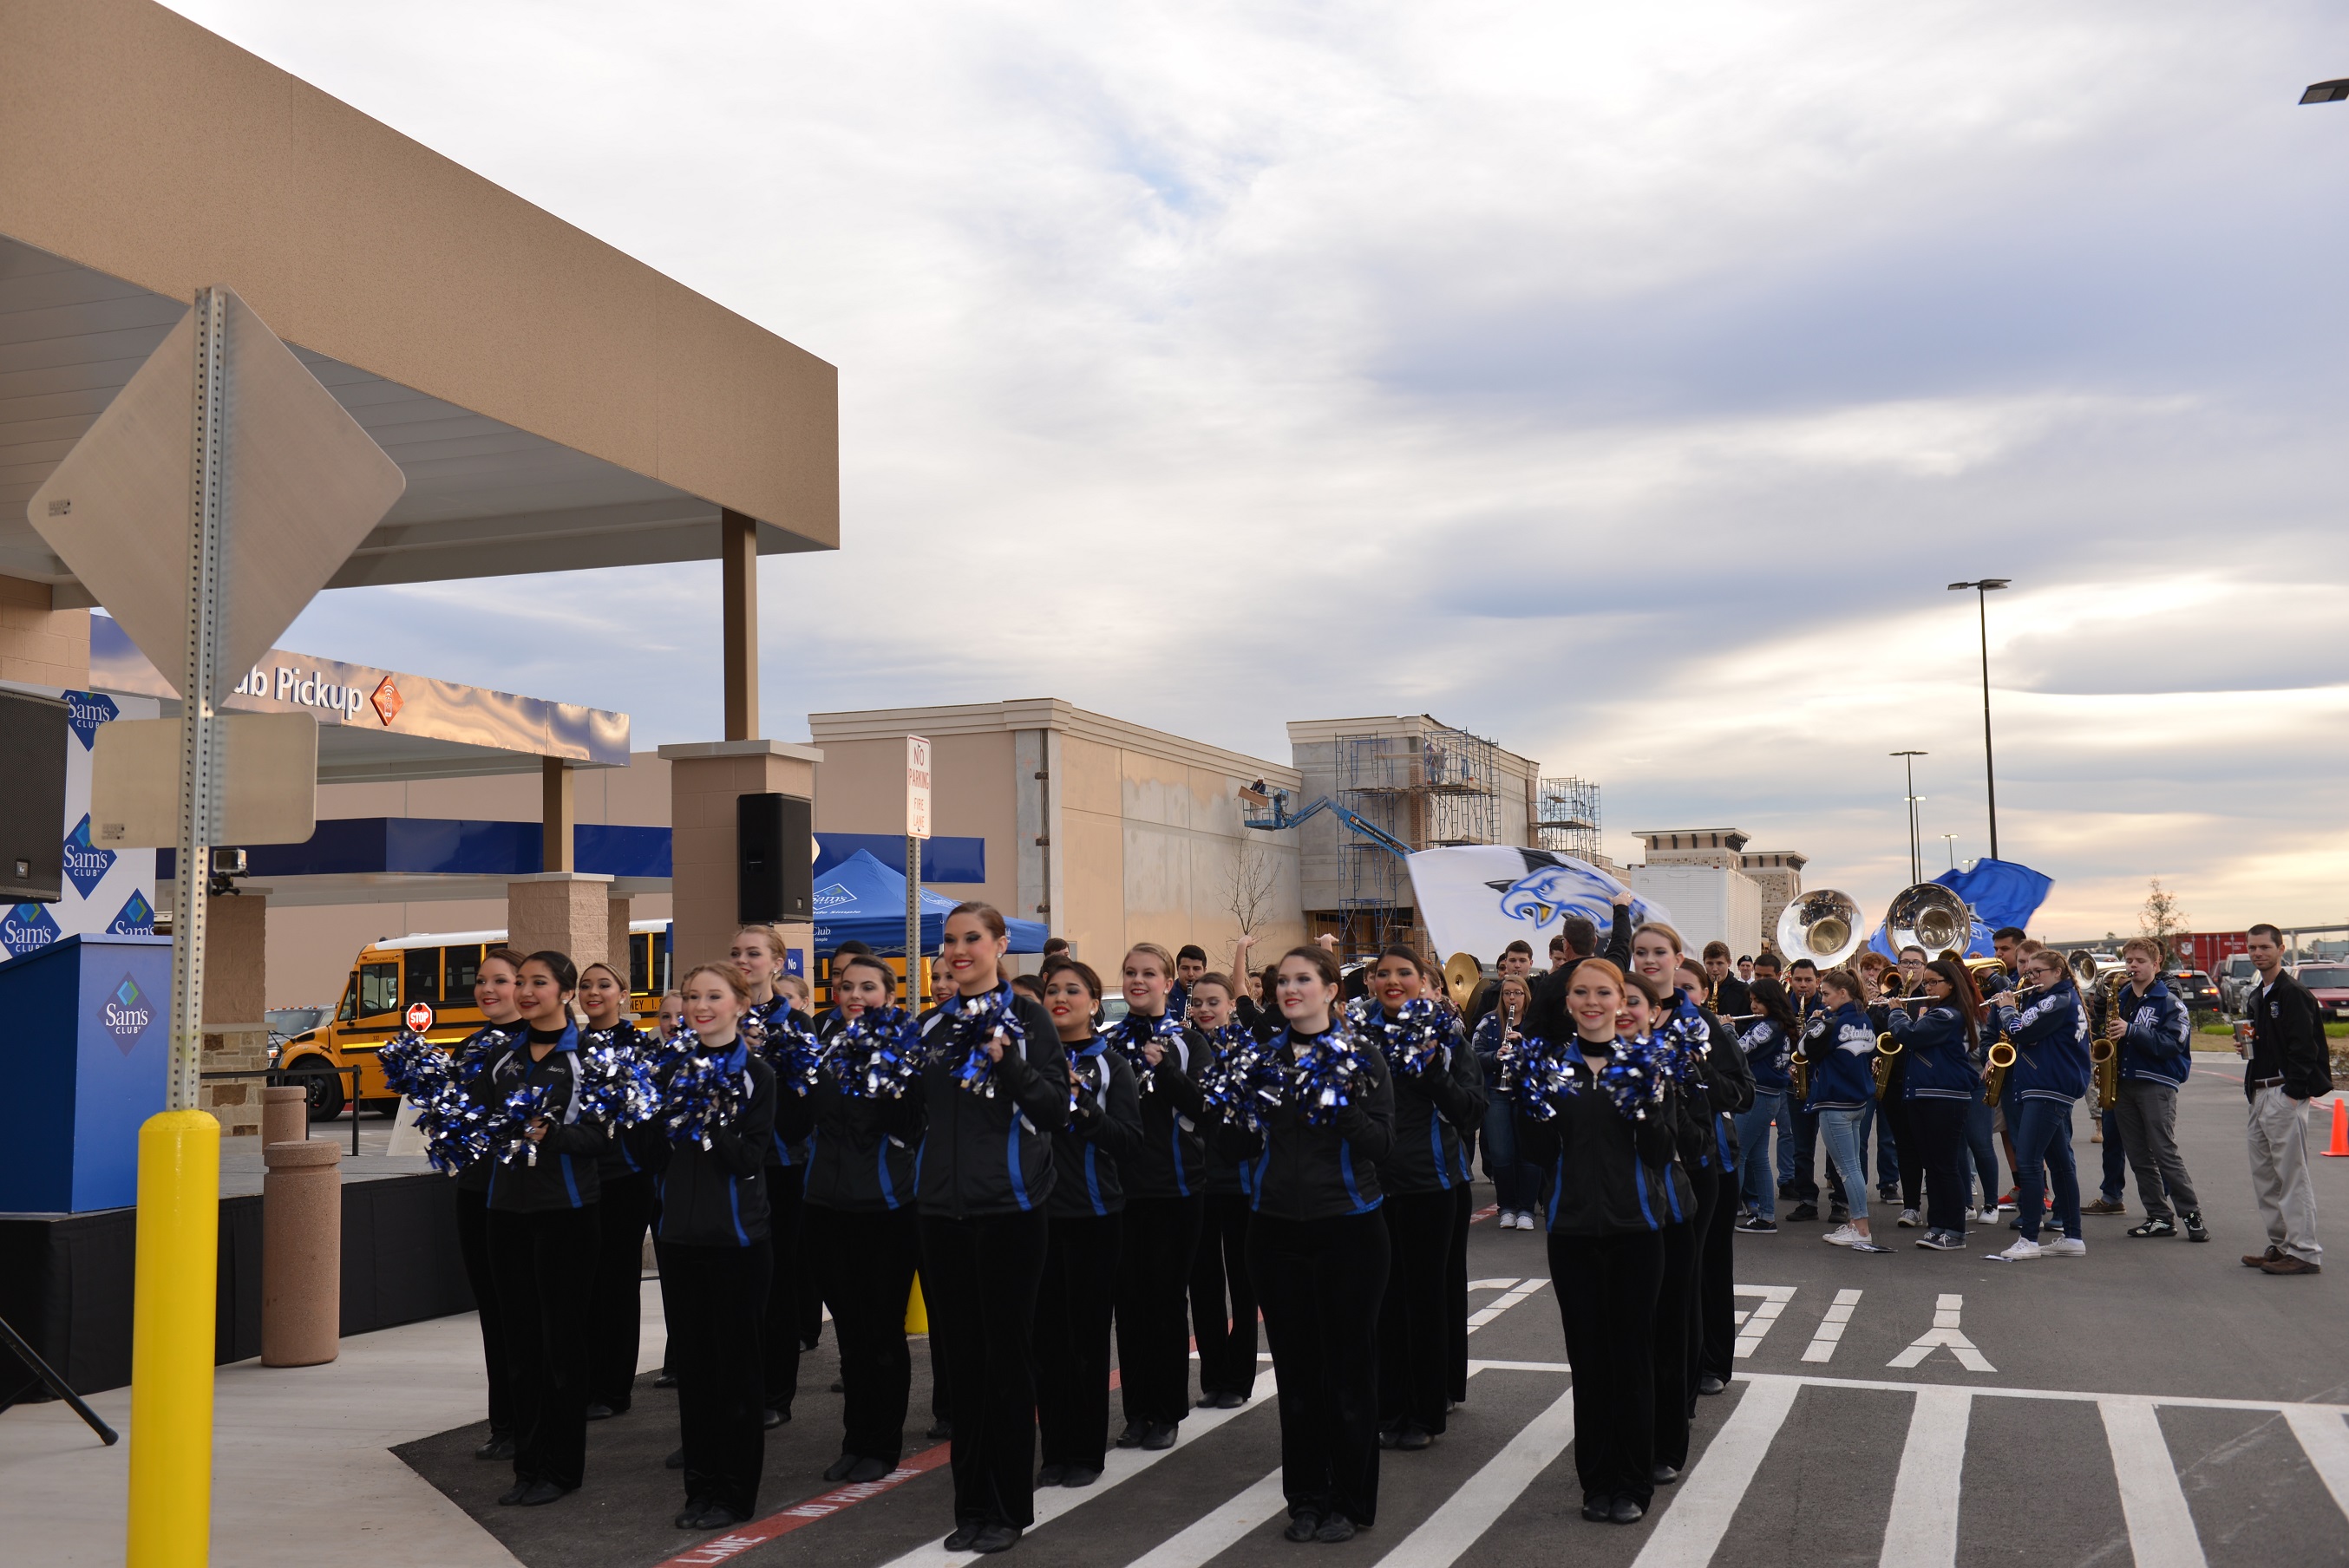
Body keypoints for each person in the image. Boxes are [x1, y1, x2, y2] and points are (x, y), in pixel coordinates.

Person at [891, 903, 1069, 1554]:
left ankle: (1007, 1507)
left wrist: (1010, 1066)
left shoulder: (1029, 1019)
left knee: (1007, 1363)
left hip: (1011, 1214)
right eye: (950, 941)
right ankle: (969, 1506)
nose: (958, 951)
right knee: (960, 1365)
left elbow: (1054, 1108)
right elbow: (909, 1115)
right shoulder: (929, 1024)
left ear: (999, 945)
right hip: (940, 1214)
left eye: (973, 939)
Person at [1215, 945, 1395, 1544]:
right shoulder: (1258, 1057)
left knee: (1348, 1368)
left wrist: (1339, 1099)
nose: (1290, 989)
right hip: (1272, 1231)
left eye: (1302, 980)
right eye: (1281, 981)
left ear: (1329, 991)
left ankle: (1350, 1500)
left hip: (1349, 1228)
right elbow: (1233, 1147)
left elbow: (1382, 1146)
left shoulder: (1362, 1055)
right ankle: (1306, 1499)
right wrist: (1235, 1111)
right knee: (1295, 1373)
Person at [1511, 959, 1691, 1526]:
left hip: (1637, 1232)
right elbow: (1536, 1152)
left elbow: (1662, 1153)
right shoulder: (1551, 1066)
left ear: (1623, 1001)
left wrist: (1648, 1103)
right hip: (1570, 1232)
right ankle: (1597, 1482)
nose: (1592, 1002)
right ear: (1568, 1003)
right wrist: (1529, 1096)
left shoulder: (1647, 1063)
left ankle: (1633, 1483)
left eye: (1604, 993)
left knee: (1632, 1358)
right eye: (1581, 993)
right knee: (1589, 1362)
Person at [478, 951, 608, 1506]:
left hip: (567, 1213)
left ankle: (561, 1468)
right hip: (506, 1210)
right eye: (522, 983)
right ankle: (527, 1466)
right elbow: (482, 1125)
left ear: (565, 992)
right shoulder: (502, 1060)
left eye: (539, 983)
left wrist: (549, 1133)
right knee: (520, 1343)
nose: (526, 992)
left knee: (563, 1344)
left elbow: (602, 1139)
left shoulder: (588, 1060)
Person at [656, 962, 779, 1530]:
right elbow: (649, 1148)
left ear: (739, 1003)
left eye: (713, 996)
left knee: (736, 1374)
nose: (699, 1006)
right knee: (696, 1374)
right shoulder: (669, 1069)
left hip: (737, 1243)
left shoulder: (756, 1074)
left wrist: (710, 1114)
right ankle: (700, 1488)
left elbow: (748, 1159)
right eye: (691, 996)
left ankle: (734, 1493)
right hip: (679, 1238)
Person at [796, 953, 923, 1484]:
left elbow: (913, 1124)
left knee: (881, 1331)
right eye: (846, 986)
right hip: (826, 1206)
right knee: (849, 1331)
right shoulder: (821, 1049)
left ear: (889, 998)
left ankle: (882, 1444)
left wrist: (881, 1066)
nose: (854, 995)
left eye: (868, 988)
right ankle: (855, 1439)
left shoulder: (906, 1050)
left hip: (886, 1208)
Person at [1360, 947, 1483, 1451]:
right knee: (1381, 1300)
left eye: (1404, 973)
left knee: (1427, 1299)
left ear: (1421, 981)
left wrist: (1433, 1071)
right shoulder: (1351, 1037)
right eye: (1382, 973)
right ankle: (1388, 1404)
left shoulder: (1447, 1035)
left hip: (1431, 1184)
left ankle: (1427, 1409)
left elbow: (1472, 1109)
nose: (1393, 981)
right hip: (1368, 1187)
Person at [1035, 957, 1143, 1487]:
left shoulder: (1111, 1066)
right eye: (1052, 989)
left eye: (1073, 990)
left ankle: (1085, 1452)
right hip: (1033, 1216)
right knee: (1045, 1340)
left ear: (1094, 1004)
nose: (1061, 997)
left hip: (1095, 1216)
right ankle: (1053, 1450)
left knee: (1086, 1340)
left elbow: (1129, 1141)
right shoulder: (1025, 1062)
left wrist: (1081, 1107)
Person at [1102, 942, 1211, 1450]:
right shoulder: (1107, 1042)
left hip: (1175, 1188)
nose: (1137, 981)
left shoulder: (1189, 1042)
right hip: (1120, 1192)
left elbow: (1206, 1111)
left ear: (1170, 984)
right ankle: (1137, 1410)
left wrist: (1164, 1069)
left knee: (1166, 1302)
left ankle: (1166, 1410)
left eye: (1149, 973)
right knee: (1129, 1303)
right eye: (1130, 973)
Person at [729, 924, 808, 1428]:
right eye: (735, 952)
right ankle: (732, 1397)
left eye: (753, 953)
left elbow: (803, 1112)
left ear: (777, 964)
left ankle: (775, 1397)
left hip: (778, 1169)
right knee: (733, 1292)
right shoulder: (717, 1020)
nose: (743, 960)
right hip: (725, 1172)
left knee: (777, 1285)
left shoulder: (794, 1025)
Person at [453, 946, 528, 1460]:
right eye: (481, 981)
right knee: (493, 1311)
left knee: (523, 1313)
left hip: (524, 1197)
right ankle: (503, 1421)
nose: (487, 990)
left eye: (499, 981)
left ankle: (530, 1421)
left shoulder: (537, 1047)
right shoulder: (468, 1047)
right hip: (476, 1190)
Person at [579, 961, 660, 1421]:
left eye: (604, 985)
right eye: (586, 986)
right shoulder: (568, 1045)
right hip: (577, 1180)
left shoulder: (641, 1047)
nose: (594, 992)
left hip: (626, 1181)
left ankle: (614, 1389)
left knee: (617, 1284)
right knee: (583, 1285)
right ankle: (585, 1380)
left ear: (623, 995)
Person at [1984, 949, 2091, 1262]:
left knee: (2029, 1162)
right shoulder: (2055, 997)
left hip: (2047, 1086)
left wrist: (2006, 1008)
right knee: (2059, 1163)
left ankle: (2028, 1238)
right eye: (2028, 972)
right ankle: (2072, 1237)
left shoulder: (2057, 1000)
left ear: (2058, 972)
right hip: (2047, 1085)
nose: (2031, 978)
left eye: (2038, 972)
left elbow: (2020, 1030)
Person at [1184, 972, 1260, 1414]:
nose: (1205, 1009)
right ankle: (1213, 1376)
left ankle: (1238, 1378)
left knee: (1243, 1284)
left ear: (1233, 1004)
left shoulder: (1248, 1052)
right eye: (1198, 1002)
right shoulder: (1183, 1050)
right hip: (1197, 1183)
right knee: (1205, 1284)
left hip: (1240, 1183)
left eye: (1214, 1001)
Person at [2239, 924, 2328, 1275]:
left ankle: (2305, 1252)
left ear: (2280, 950)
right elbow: (2269, 1042)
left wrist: (2294, 1093)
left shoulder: (2292, 993)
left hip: (2282, 1092)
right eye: (2252, 948)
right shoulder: (2258, 994)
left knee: (2291, 1175)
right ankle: (2281, 1244)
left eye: (2264, 947)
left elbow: (2305, 1048)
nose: (2257, 953)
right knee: (2265, 1175)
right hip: (2260, 1091)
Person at [2104, 938, 2207, 1243]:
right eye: (2129, 961)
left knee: (2164, 1151)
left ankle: (2191, 1215)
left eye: (2139, 961)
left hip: (2156, 1083)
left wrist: (2132, 1030)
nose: (2132, 966)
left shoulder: (2169, 1002)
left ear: (2156, 965)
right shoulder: (2122, 996)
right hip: (2124, 1081)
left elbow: (2171, 1044)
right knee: (2137, 1155)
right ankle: (2158, 1217)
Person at [1882, 958, 1984, 1251]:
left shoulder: (1950, 1014)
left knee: (1944, 1166)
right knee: (1932, 1164)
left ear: (1950, 984)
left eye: (1933, 982)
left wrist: (1897, 1013)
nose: (1927, 987)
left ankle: (1954, 1231)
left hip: (1944, 1096)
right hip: (1925, 1093)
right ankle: (1938, 1225)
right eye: (1926, 982)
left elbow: (1909, 1035)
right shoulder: (1941, 1010)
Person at [1803, 970, 1890, 1255]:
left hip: (1835, 1102)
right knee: (1852, 1165)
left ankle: (1861, 1229)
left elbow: (1804, 1049)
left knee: (1847, 1168)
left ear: (1843, 993)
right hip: (1857, 1102)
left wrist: (1813, 1023)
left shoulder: (1833, 1023)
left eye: (1826, 993)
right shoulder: (1863, 1018)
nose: (1823, 999)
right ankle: (1855, 1223)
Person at [1731, 977, 1798, 1235]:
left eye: (1758, 1001)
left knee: (1736, 1155)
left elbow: (1738, 1050)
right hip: (1768, 1095)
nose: (1753, 1005)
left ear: (1771, 1001)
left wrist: (1726, 1028)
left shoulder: (1766, 1028)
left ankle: (1725, 1213)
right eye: (1751, 1000)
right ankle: (1766, 1216)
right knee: (1758, 1158)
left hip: (1757, 1095)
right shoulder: (1777, 1025)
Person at [1474, 974, 1539, 1229]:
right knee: (1501, 1154)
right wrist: (1495, 1056)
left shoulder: (1536, 1022)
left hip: (1526, 1094)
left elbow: (1548, 1057)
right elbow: (1475, 1055)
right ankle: (1507, 1207)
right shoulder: (1489, 1022)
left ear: (1526, 995)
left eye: (1517, 993)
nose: (1512, 998)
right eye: (1507, 993)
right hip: (1497, 1093)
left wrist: (1524, 1046)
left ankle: (1526, 1209)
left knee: (1528, 1153)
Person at [1704, 942, 1750, 1016]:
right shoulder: (1698, 988)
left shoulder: (1744, 991)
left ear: (1729, 963)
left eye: (1719, 963)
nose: (1715, 969)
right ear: (1704, 963)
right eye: (1710, 963)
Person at [1169, 943, 1209, 1022]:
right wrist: (1173, 1029)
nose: (1190, 974)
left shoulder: (1213, 996)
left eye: (1196, 969)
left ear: (1204, 971)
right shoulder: (1163, 995)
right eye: (1185, 968)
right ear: (1177, 969)